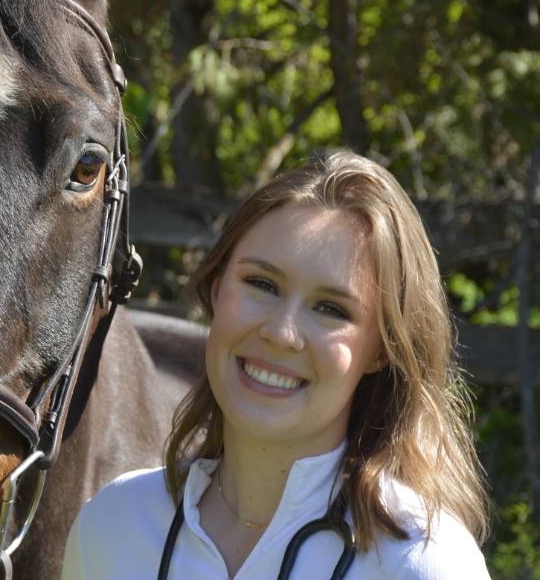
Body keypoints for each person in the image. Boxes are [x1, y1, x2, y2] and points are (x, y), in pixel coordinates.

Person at [61, 152, 490, 579]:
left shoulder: (425, 563)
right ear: (216, 288)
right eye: (262, 284)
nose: (282, 333)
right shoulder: (111, 526)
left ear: (382, 351)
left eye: (331, 309)